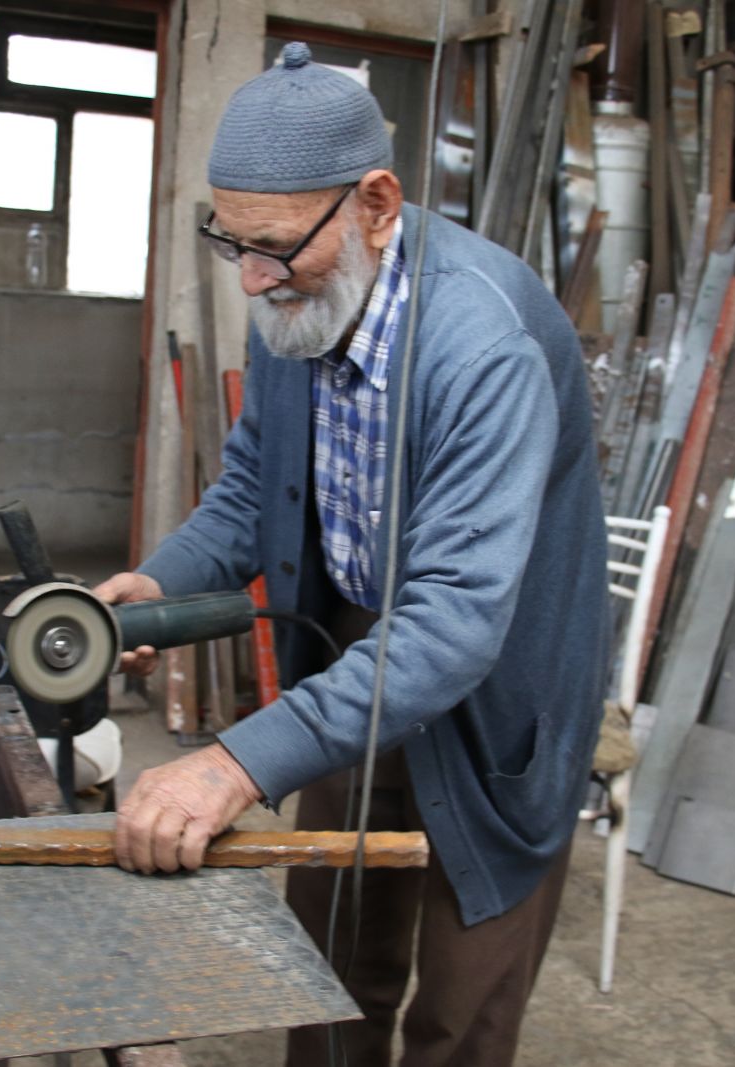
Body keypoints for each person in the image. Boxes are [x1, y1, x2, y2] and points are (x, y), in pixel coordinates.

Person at [93, 42, 608, 1067]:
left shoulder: (484, 344)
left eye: (274, 246)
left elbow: (456, 624)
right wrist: (157, 584)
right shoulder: (293, 297)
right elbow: (248, 488)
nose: (249, 276)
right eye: (229, 241)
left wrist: (236, 761)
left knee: (461, 1008)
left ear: (376, 204)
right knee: (328, 969)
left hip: (496, 677)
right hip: (359, 660)